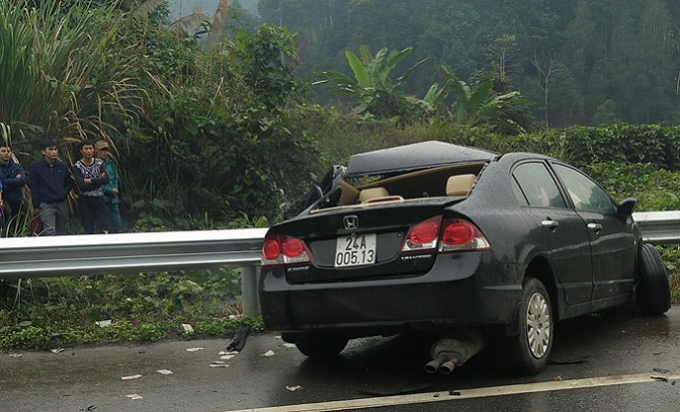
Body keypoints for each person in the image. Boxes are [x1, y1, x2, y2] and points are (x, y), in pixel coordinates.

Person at [30, 140, 74, 236]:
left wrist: (63, 192)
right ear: (43, 152)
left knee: (63, 231)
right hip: (46, 203)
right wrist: (36, 205)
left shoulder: (61, 166)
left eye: (55, 149)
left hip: (61, 202)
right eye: (50, 149)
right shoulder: (36, 166)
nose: (54, 152)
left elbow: (70, 182)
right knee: (50, 231)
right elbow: (34, 185)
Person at [72, 139, 110, 234]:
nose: (88, 151)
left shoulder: (99, 163)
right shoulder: (77, 166)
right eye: (86, 149)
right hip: (85, 199)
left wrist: (90, 181)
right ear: (81, 151)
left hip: (99, 198)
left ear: (94, 150)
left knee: (105, 225)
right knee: (88, 226)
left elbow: (106, 179)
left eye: (90, 148)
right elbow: (81, 185)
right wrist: (98, 182)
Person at [0, 144, 28, 233]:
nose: (6, 153)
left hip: (17, 203)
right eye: (3, 151)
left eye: (8, 151)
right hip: (3, 203)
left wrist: (6, 181)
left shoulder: (17, 167)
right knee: (5, 231)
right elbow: (2, 186)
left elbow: (23, 180)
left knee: (19, 229)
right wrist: (15, 180)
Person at [95, 140, 121, 233]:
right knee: (103, 225)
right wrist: (109, 190)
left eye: (106, 150)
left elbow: (115, 179)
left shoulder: (111, 164)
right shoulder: (94, 165)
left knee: (116, 224)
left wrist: (114, 190)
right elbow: (95, 183)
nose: (105, 152)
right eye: (102, 150)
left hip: (113, 199)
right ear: (96, 151)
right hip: (101, 199)